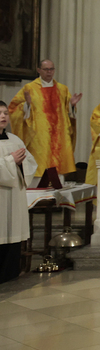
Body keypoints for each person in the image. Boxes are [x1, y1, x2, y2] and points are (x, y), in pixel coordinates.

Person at [7, 59, 81, 180]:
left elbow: (68, 115)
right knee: (40, 171)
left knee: (58, 176)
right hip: (39, 137)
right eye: (46, 69)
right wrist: (26, 105)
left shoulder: (62, 89)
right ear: (39, 70)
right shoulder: (30, 88)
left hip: (59, 136)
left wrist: (71, 105)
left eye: (51, 69)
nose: (49, 72)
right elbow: (13, 108)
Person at [1, 100, 36, 283]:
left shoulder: (15, 140)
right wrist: (10, 161)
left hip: (14, 197)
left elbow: (30, 163)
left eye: (5, 113)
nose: (3, 116)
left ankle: (11, 275)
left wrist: (20, 163)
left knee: (12, 234)